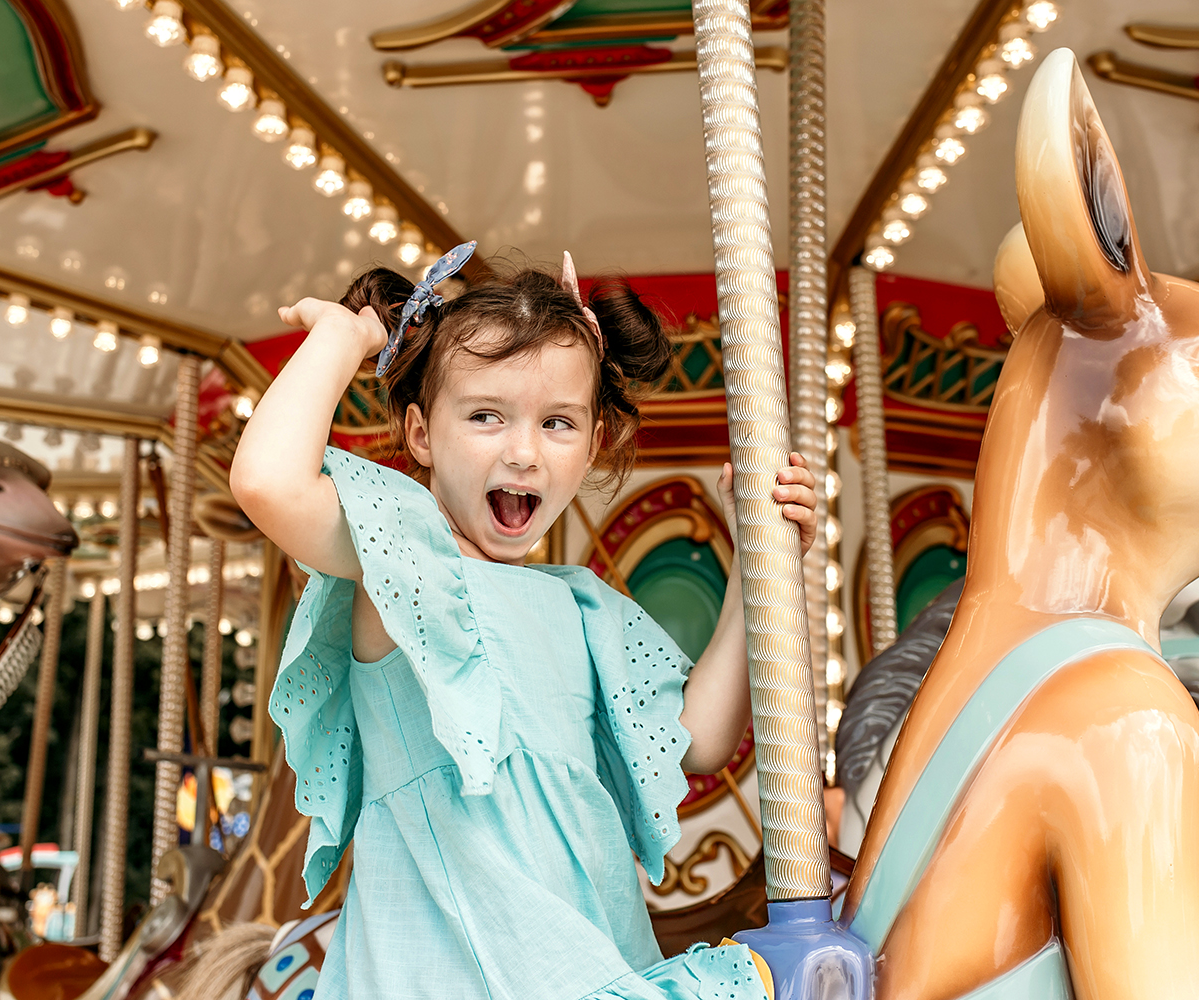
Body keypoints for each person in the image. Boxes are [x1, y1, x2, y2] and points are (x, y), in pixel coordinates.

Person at [230, 248, 816, 1000]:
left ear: (595, 442)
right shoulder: (405, 558)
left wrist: (756, 566)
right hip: (445, 974)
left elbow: (700, 737)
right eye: (485, 416)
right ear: (418, 435)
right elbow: (266, 481)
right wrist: (343, 339)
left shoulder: (583, 608)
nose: (523, 451)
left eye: (558, 423)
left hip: (589, 961)